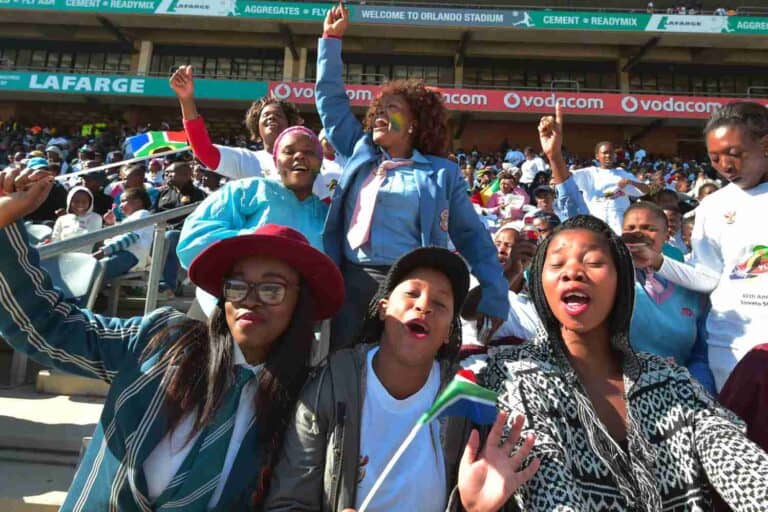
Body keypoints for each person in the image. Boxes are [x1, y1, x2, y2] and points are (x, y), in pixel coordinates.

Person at [0, 164, 344, 510]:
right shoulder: (161, 341)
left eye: (272, 289)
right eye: (237, 285)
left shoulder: (307, 402)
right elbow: (48, 325)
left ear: (300, 302)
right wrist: (6, 222)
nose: (250, 299)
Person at [481, 215, 768, 510]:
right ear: (540, 284)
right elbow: (547, 484)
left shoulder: (669, 380)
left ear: (621, 281)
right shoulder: (515, 375)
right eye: (557, 264)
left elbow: (731, 453)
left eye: (593, 262)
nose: (573, 272)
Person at [265, 246, 539, 511]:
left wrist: (475, 509)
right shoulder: (332, 383)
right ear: (383, 308)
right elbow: (287, 502)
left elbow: (484, 494)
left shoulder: (466, 401)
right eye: (412, 293)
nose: (424, 306)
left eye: (440, 303)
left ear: (448, 332)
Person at [317, 4, 508, 350]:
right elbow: (331, 104)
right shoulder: (360, 151)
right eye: (378, 109)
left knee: (401, 367)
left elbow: (472, 237)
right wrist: (331, 40)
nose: (379, 114)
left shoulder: (442, 174)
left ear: (414, 124)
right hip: (350, 282)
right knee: (344, 368)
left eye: (392, 109)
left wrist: (495, 294)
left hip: (409, 286)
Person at [627, 102, 768, 390]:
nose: (725, 166)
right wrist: (656, 261)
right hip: (731, 346)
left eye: (734, 153)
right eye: (714, 158)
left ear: (765, 145)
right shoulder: (713, 207)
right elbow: (707, 278)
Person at [178, 126, 329, 315]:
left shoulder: (327, 215)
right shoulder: (249, 189)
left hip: (289, 318)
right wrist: (259, 240)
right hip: (225, 307)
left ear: (320, 163)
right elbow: (192, 241)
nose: (299, 156)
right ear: (276, 161)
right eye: (289, 151)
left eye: (309, 152)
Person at [622, 202, 715, 393]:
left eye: (649, 228)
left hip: (682, 391)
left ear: (667, 235)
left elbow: (701, 355)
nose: (638, 234)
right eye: (630, 228)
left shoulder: (690, 284)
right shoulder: (611, 281)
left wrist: (696, 391)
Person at [170, 65, 303, 183]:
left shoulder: (306, 160)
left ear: (290, 125)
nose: (272, 117)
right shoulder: (247, 160)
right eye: (266, 115)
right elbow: (204, 151)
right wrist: (186, 99)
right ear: (257, 127)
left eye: (278, 115)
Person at [548, 135, 650, 233]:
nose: (608, 155)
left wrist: (631, 182)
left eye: (611, 153)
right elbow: (567, 176)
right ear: (597, 156)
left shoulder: (622, 173)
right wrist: (554, 159)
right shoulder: (589, 173)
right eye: (605, 153)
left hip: (619, 226)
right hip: (597, 226)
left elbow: (646, 190)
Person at [155, 161, 207, 298]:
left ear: (186, 175)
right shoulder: (163, 193)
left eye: (171, 172)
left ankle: (167, 285)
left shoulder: (198, 195)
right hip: (160, 230)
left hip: (184, 233)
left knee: (170, 237)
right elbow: (153, 214)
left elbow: (197, 219)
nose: (167, 175)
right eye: (166, 173)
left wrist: (170, 227)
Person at [96, 187, 154, 280]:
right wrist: (110, 224)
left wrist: (103, 252)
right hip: (121, 254)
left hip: (132, 256)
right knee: (92, 269)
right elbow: (112, 239)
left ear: (138, 202)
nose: (120, 206)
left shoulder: (143, 214)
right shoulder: (128, 220)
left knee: (96, 271)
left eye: (123, 201)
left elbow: (130, 237)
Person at [22, 157, 67, 225]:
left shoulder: (57, 187)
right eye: (36, 171)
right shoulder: (24, 191)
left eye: (44, 170)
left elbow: (65, 207)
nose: (40, 174)